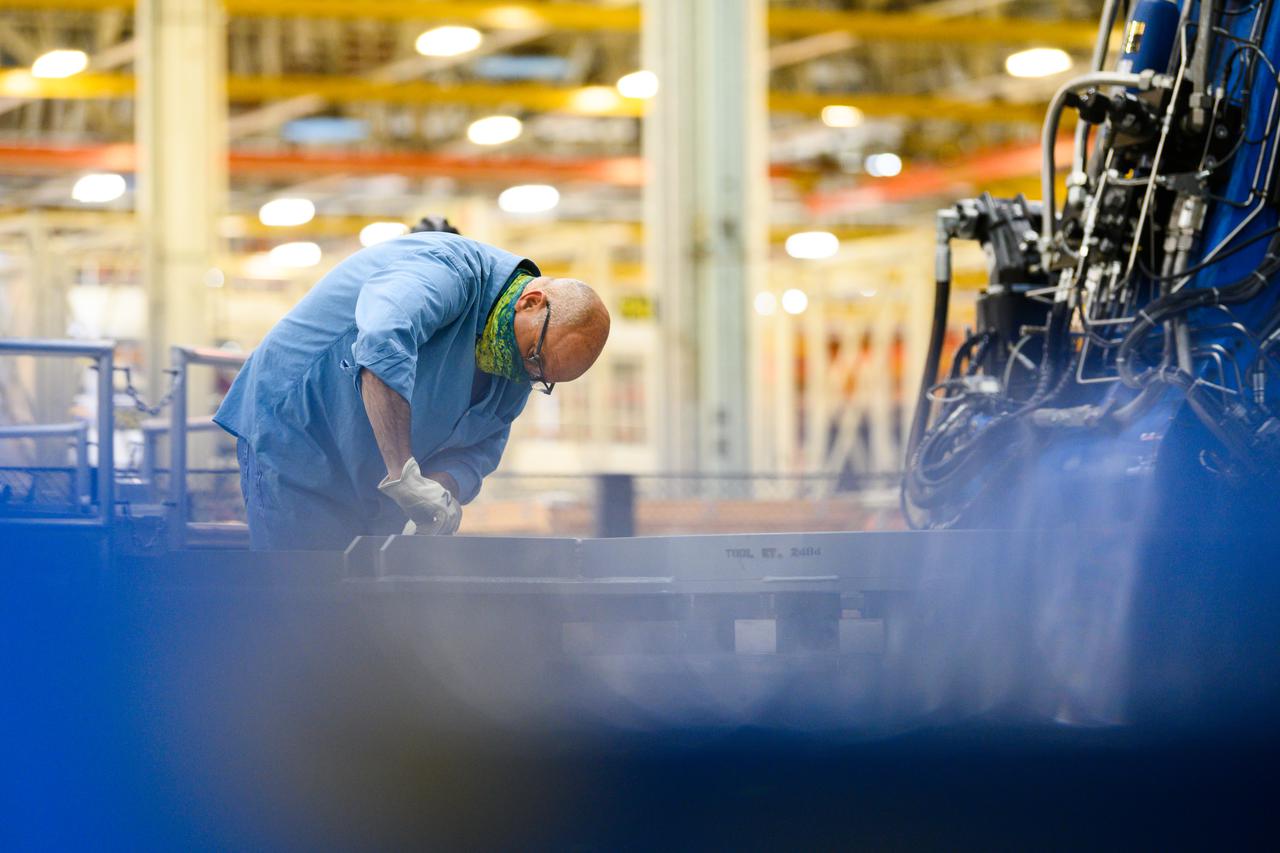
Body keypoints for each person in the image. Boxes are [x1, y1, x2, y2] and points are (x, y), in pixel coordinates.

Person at [213, 228, 610, 550]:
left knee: (362, 615)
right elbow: (382, 345)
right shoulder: (450, 270)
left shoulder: (520, 363)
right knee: (305, 602)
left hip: (375, 480)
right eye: (535, 358)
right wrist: (403, 474)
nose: (527, 375)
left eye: (542, 378)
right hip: (296, 435)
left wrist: (438, 493)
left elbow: (482, 448)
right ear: (531, 302)